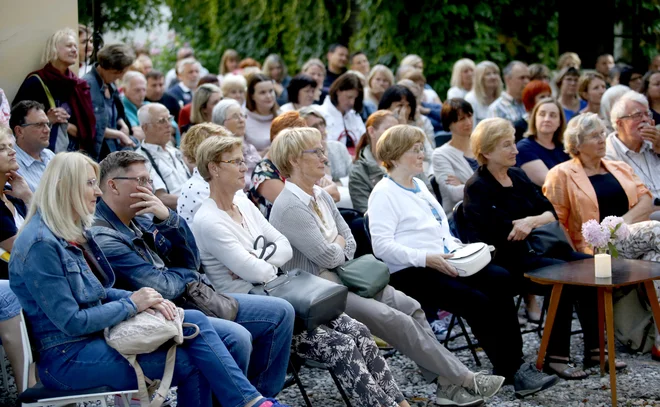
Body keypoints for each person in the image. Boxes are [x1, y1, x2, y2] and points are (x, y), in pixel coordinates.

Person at [8, 151, 290, 407]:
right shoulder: (41, 244)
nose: (97, 192)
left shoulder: (66, 230)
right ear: (64, 187)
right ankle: (250, 402)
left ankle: (251, 401)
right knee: (194, 361)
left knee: (199, 323)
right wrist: (133, 303)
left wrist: (147, 300)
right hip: (68, 357)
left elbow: (101, 292)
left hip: (97, 338)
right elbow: (72, 322)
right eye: (90, 184)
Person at [269, 127, 506, 406]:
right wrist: (337, 243)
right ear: (295, 160)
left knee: (410, 307)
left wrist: (336, 243)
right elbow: (328, 257)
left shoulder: (319, 194)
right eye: (317, 151)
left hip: (345, 278)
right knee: (397, 320)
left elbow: (349, 245)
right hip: (319, 292)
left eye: (323, 150)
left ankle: (446, 388)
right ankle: (466, 379)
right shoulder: (290, 206)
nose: (325, 157)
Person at [191, 135, 410, 407]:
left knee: (359, 331)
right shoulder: (209, 220)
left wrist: (257, 258)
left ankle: (400, 403)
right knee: (341, 346)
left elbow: (284, 248)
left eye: (242, 160)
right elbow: (257, 273)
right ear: (214, 168)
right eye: (235, 162)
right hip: (255, 308)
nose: (244, 166)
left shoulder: (244, 203)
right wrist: (262, 261)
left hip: (285, 293)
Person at [91, 150, 294, 399]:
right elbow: (163, 286)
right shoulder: (104, 236)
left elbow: (192, 260)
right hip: (156, 314)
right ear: (113, 185)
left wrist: (168, 219)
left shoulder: (142, 218)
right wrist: (188, 276)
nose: (149, 188)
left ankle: (259, 398)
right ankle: (245, 400)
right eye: (141, 181)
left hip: (187, 299)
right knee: (236, 338)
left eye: (149, 180)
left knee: (281, 312)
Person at [544, 113, 659, 260]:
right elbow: (556, 221)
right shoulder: (561, 174)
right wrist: (576, 259)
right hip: (597, 248)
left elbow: (646, 199)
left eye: (602, 134)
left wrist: (618, 226)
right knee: (657, 229)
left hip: (631, 236)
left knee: (654, 257)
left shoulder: (621, 167)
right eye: (594, 136)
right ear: (577, 144)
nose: (602, 140)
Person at [13, 27, 96, 155]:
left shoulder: (79, 86)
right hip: (44, 158)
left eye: (75, 46)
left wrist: (65, 125)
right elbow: (17, 121)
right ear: (54, 49)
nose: (74, 50)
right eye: (69, 46)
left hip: (75, 157)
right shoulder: (36, 82)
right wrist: (47, 119)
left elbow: (88, 131)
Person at [249, 112, 339, 218]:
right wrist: (325, 192)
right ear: (276, 138)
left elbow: (336, 194)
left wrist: (323, 193)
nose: (298, 143)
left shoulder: (299, 162)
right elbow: (294, 206)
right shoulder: (263, 173)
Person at [0, 126, 33, 392]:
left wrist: (28, 197)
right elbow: (23, 247)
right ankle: (29, 389)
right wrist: (32, 201)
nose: (12, 150)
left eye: (10, 145)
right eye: (2, 148)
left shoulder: (12, 192)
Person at [604, 91, 660, 212]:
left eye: (647, 114)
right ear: (620, 123)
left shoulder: (655, 143)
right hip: (643, 219)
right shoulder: (607, 154)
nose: (645, 119)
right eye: (637, 115)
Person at [83, 43, 138, 161]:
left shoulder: (110, 83)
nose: (119, 77)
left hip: (113, 149)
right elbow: (92, 126)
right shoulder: (88, 85)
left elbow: (115, 112)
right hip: (98, 153)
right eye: (118, 73)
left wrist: (122, 124)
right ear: (110, 69)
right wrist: (119, 134)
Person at [136, 104, 191, 209]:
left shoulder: (174, 151)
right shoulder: (141, 159)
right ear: (145, 128)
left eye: (169, 119)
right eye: (162, 121)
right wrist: (196, 201)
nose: (169, 125)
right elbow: (160, 198)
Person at [431, 99, 477, 214]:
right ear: (449, 124)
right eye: (461, 119)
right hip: (462, 216)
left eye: (469, 116)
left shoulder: (482, 146)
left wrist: (463, 184)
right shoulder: (440, 154)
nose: (468, 122)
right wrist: (489, 186)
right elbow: (454, 194)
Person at [349, 110, 399, 214]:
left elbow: (430, 200)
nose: (394, 135)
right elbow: (366, 213)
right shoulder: (359, 172)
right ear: (371, 132)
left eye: (396, 131)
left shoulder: (409, 160)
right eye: (388, 129)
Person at [378, 85, 433, 172]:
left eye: (408, 106)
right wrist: (400, 128)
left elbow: (429, 156)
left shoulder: (417, 131)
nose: (405, 110)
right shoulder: (380, 128)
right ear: (387, 106)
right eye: (400, 105)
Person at [516, 98, 569, 186]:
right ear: (534, 118)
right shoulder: (524, 147)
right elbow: (549, 182)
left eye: (553, 115)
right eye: (542, 114)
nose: (547, 119)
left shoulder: (564, 148)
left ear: (560, 122)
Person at [212, 98, 261, 189]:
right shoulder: (220, 153)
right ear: (221, 123)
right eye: (235, 117)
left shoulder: (250, 147)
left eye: (242, 116)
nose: (241, 120)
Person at [9, 101, 56, 192]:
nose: (47, 130)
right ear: (19, 131)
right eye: (39, 125)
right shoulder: (10, 165)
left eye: (48, 124)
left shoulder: (50, 155)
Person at [319, 72, 366, 154]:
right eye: (349, 97)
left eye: (355, 98)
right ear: (338, 91)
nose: (352, 102)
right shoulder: (320, 115)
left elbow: (364, 143)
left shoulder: (355, 116)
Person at [488, 61, 530, 138]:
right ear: (508, 79)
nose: (527, 81)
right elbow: (496, 140)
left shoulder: (531, 104)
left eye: (528, 78)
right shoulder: (497, 108)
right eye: (522, 78)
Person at [245, 74, 279, 155]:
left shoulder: (283, 116)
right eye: (262, 92)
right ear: (252, 96)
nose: (268, 96)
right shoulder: (243, 118)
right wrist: (263, 154)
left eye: (271, 91)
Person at [465, 61, 502, 127]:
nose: (493, 77)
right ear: (480, 78)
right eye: (488, 74)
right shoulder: (471, 99)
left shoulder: (502, 97)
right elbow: (471, 129)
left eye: (495, 73)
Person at [120, 71, 148, 142]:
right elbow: (135, 133)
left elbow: (172, 126)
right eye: (137, 90)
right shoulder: (120, 107)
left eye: (144, 90)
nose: (142, 94)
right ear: (124, 90)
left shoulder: (148, 105)